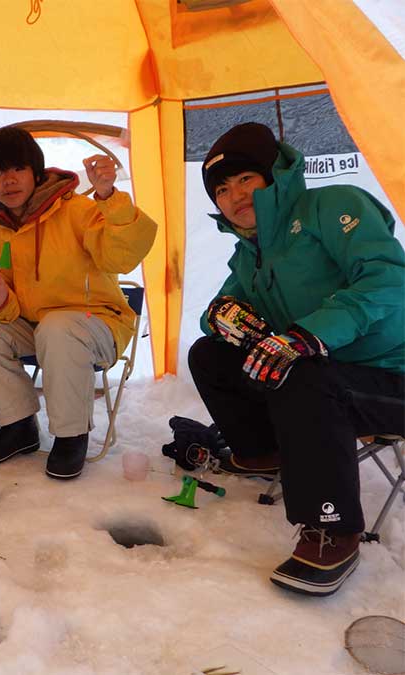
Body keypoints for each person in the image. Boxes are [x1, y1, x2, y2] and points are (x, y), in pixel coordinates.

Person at [189, 122, 405, 596]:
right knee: (210, 355)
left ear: (273, 175)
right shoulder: (249, 255)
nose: (234, 195)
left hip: (390, 373)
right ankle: (267, 452)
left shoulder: (332, 207)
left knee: (302, 373)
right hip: (328, 377)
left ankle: (333, 528)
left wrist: (309, 336)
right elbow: (216, 315)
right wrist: (222, 318)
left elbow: (388, 279)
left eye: (245, 179)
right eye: (222, 189)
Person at [0, 126, 158, 479]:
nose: (7, 181)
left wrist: (109, 196)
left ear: (35, 173)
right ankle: (17, 425)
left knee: (58, 326)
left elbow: (121, 257)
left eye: (16, 169)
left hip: (95, 324)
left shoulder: (77, 210)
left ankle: (71, 435)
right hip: (33, 325)